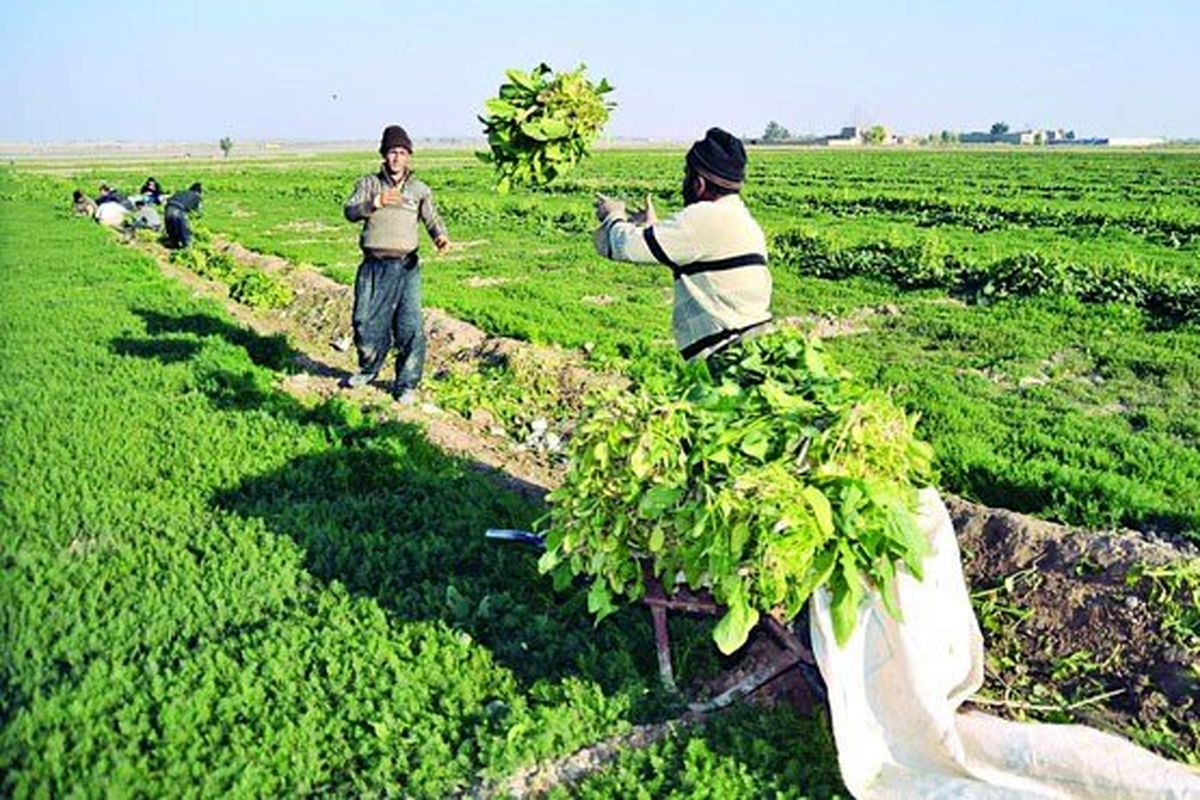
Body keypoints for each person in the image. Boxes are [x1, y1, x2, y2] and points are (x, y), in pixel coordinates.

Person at [592, 127, 773, 374]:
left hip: (729, 353)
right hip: (753, 342)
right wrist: (652, 229)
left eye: (686, 174)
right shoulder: (740, 218)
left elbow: (625, 247)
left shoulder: (704, 217)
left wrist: (612, 214)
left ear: (698, 182)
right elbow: (695, 252)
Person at [341, 124, 450, 403]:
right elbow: (350, 211)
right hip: (374, 265)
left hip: (406, 267)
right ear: (383, 154)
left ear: (409, 157)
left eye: (401, 152)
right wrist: (374, 202)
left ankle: (406, 384)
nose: (396, 158)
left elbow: (432, 218)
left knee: (409, 325)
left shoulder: (419, 189)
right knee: (364, 322)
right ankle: (368, 369)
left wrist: (440, 237)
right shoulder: (368, 184)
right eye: (391, 152)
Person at [164, 182, 202, 248]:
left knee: (172, 231)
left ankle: (173, 244)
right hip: (179, 210)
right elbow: (197, 212)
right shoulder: (197, 196)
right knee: (185, 233)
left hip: (168, 209)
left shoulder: (181, 192)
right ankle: (187, 249)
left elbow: (168, 200)